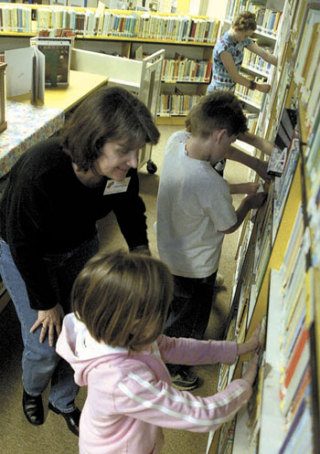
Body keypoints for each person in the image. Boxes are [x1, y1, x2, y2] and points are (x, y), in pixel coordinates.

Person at [0, 87, 159, 435]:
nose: (134, 162)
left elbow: (130, 208)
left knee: (81, 330)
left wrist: (141, 252)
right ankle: (33, 389)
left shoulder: (121, 173)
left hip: (79, 245)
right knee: (44, 341)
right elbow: (22, 244)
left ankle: (63, 400)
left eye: (137, 151)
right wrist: (45, 302)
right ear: (94, 142)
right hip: (25, 252)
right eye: (124, 152)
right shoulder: (41, 171)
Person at [56, 249, 260, 454]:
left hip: (126, 437)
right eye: (162, 312)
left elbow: (176, 347)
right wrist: (243, 386)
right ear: (135, 323)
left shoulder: (121, 333)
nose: (165, 318)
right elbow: (203, 415)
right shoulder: (124, 381)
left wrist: (237, 349)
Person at [156, 91, 267, 391]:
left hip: (169, 250)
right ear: (220, 135)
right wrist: (249, 201)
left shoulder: (177, 141)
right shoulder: (210, 181)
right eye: (230, 141)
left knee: (175, 305)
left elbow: (203, 193)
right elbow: (229, 225)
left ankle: (167, 344)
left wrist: (246, 178)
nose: (229, 148)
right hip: (196, 266)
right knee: (191, 321)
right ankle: (175, 368)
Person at [207, 11, 277, 94]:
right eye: (245, 35)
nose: (246, 38)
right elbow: (235, 77)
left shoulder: (243, 40)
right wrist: (259, 87)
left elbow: (264, 54)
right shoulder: (223, 48)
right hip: (217, 94)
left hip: (229, 92)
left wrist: (280, 64)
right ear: (237, 28)